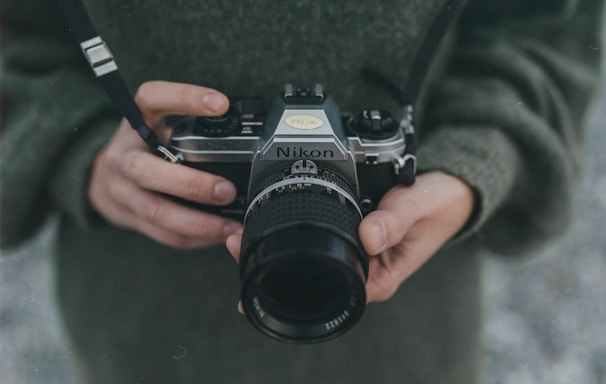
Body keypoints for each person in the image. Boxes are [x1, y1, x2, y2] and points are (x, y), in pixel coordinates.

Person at [1, 1, 603, 383]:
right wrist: (84, 153)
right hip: (147, 341)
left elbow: (550, 26)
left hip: (407, 348)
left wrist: (469, 163)